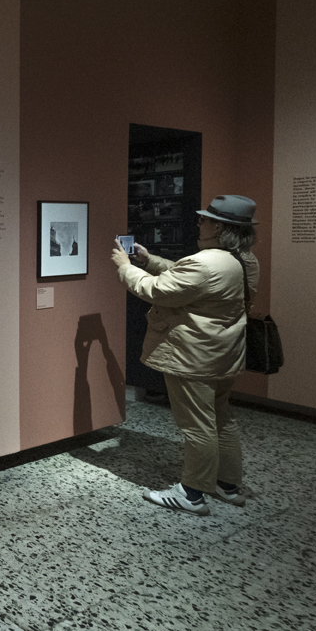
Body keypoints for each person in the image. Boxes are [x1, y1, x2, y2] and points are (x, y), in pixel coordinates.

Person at [112, 194, 260, 516]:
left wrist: (125, 267)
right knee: (221, 419)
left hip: (193, 357)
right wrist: (149, 260)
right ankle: (228, 485)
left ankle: (192, 493)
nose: (199, 222)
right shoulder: (245, 261)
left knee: (197, 425)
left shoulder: (206, 263)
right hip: (223, 354)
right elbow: (185, 277)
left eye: (205, 218)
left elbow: (156, 290)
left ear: (220, 227)